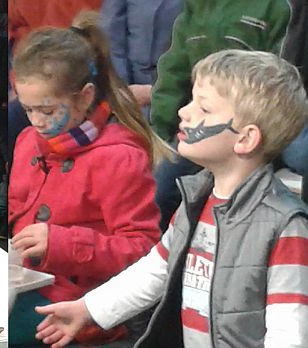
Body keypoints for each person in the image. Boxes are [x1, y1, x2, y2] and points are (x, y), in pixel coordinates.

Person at [35, 49, 308, 348]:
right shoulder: (197, 201)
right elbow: (155, 271)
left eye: (203, 109)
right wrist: (88, 309)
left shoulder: (284, 226)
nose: (184, 112)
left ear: (245, 139)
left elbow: (289, 331)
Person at [8, 12, 172, 346]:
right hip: (25, 285)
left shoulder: (119, 157)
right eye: (28, 109)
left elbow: (142, 251)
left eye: (48, 110)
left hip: (82, 307)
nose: (36, 121)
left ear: (84, 97)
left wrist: (62, 244)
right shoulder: (28, 141)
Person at [149, 0, 308, 231]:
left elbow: (281, 81)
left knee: (300, 154)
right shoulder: (197, 6)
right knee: (160, 190)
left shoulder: (282, 6)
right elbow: (173, 72)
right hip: (207, 121)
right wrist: (161, 130)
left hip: (265, 118)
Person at [98, 0, 183, 121]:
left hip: (179, 97)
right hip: (125, 92)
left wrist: (154, 94)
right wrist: (123, 92)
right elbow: (110, 38)